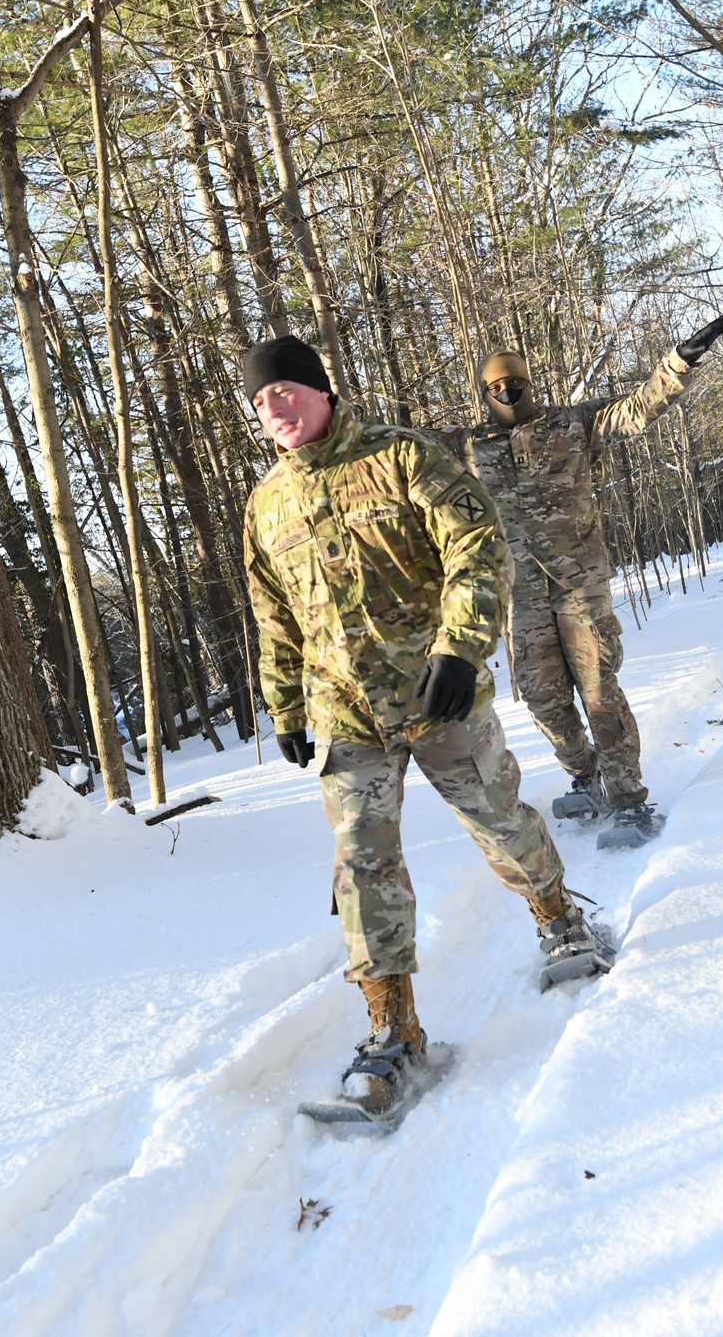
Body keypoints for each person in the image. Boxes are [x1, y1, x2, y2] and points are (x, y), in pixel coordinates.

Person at [242, 337, 614, 1121]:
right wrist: (283, 707)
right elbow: (273, 616)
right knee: (361, 865)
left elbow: (478, 547)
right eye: (260, 400)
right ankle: (392, 1030)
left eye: (284, 391)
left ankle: (559, 919)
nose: (273, 408)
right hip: (346, 715)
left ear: (320, 390)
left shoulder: (402, 456)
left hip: (437, 694)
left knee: (499, 821)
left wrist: (460, 645)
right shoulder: (266, 503)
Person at [444, 312, 723, 846]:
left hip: (579, 583)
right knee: (542, 697)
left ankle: (628, 799)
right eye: (494, 387)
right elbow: (397, 452)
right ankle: (585, 773)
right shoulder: (465, 445)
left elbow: (638, 407)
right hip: (519, 592)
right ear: (483, 393)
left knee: (599, 691)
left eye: (514, 382)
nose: (506, 391)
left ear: (529, 383)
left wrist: (682, 359)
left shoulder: (571, 424)